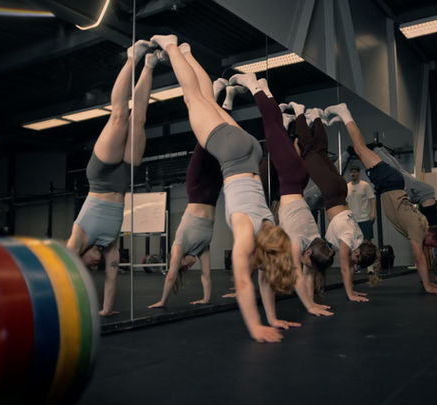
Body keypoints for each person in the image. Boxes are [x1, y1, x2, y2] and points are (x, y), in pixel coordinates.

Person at [151, 34, 295, 343]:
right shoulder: (246, 233)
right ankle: (172, 45)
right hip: (232, 154)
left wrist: (272, 319)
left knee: (205, 98)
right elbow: (243, 284)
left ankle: (187, 52)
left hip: (251, 151)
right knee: (192, 98)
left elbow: (264, 278)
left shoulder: (270, 228)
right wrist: (256, 327)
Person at [230, 72, 335, 317]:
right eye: (309, 262)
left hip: (299, 179)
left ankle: (266, 89)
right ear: (307, 254)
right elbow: (298, 274)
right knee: (271, 125)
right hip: (289, 178)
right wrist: (309, 306)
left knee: (277, 127)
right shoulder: (299, 246)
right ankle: (253, 85)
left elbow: (308, 273)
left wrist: (313, 303)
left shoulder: (316, 241)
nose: (307, 266)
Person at [66, 40, 158, 316]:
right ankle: (150, 65)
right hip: (123, 180)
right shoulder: (110, 245)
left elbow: (64, 274)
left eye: (88, 265)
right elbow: (112, 276)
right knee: (138, 119)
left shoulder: (77, 239)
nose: (94, 265)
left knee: (119, 116)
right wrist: (106, 310)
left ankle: (132, 58)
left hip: (101, 176)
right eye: (94, 267)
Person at [325, 103, 437, 294]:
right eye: (434, 245)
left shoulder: (422, 226)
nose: (432, 248)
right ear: (431, 236)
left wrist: (432, 281)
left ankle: (345, 117)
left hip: (389, 184)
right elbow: (419, 258)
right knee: (359, 148)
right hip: (390, 183)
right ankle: (344, 113)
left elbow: (423, 255)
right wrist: (427, 285)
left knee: (360, 149)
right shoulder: (419, 230)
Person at [288, 102, 378, 302]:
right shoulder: (348, 240)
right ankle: (300, 113)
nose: (354, 265)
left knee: (320, 152)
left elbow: (350, 266)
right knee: (309, 153)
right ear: (358, 253)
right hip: (330, 193)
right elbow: (345, 268)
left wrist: (354, 289)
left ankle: (316, 116)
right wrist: (350, 294)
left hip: (340, 190)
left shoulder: (358, 237)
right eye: (357, 261)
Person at [370, 147, 437, 286]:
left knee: (398, 170)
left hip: (422, 195)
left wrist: (432, 278)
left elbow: (430, 257)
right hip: (422, 194)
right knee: (396, 172)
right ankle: (376, 150)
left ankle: (379, 149)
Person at [147, 143, 222, 308]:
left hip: (196, 189)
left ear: (178, 259)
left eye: (184, 265)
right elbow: (206, 275)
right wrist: (206, 299)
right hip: (212, 193)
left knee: (202, 144)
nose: (189, 265)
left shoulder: (179, 245)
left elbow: (170, 276)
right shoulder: (201, 248)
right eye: (188, 267)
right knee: (217, 146)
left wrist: (162, 301)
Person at [346, 165, 376, 274]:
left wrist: (373, 213)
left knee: (367, 243)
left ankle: (370, 268)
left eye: (355, 172)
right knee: (354, 245)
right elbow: (345, 203)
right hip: (352, 221)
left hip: (365, 218)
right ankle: (356, 266)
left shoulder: (365, 185)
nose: (353, 174)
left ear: (358, 173)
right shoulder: (347, 187)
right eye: (351, 172)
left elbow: (372, 199)